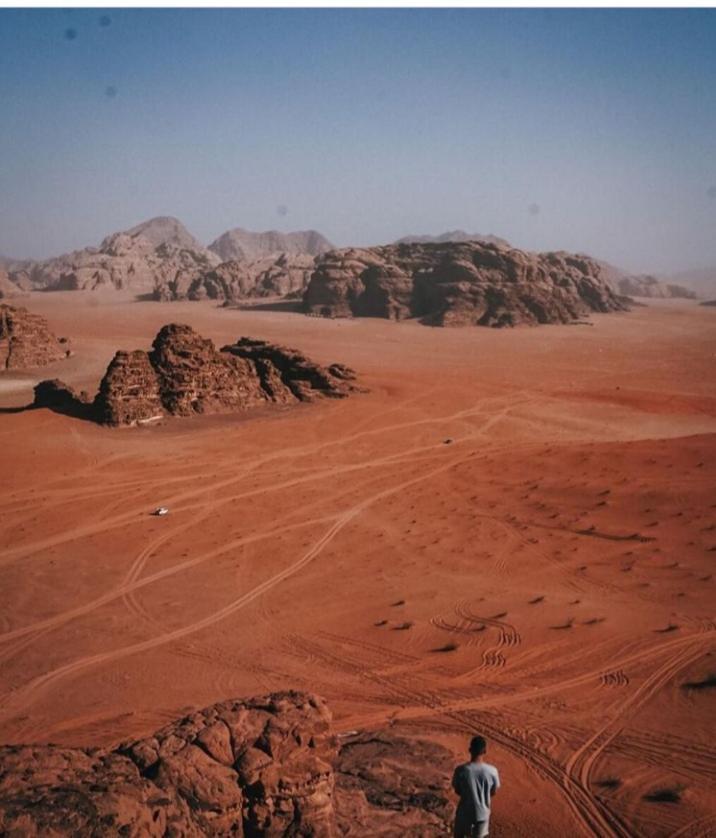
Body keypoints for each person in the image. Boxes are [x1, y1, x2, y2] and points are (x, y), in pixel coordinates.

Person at [452, 735, 500, 837]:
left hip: (464, 814)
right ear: (485, 751)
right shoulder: (493, 771)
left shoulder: (460, 770)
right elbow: (493, 792)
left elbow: (457, 790)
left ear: (470, 750)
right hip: (482, 815)